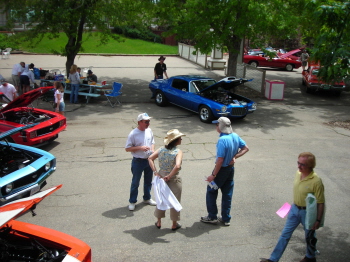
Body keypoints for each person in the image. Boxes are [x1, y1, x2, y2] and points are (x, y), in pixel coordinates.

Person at [260, 152, 325, 262]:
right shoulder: (298, 173)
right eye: (298, 163)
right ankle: (273, 259)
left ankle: (310, 257)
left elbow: (320, 202)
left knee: (310, 236)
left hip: (308, 213)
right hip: (294, 209)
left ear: (310, 166)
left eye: (302, 164)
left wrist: (318, 220)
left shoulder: (316, 181)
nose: (299, 166)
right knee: (285, 235)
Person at [200, 117, 249, 226]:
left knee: (211, 190)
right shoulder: (235, 136)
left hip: (221, 170)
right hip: (230, 169)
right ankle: (226, 218)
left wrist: (213, 175)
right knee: (227, 193)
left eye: (216, 125)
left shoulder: (222, 140)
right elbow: (246, 148)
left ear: (220, 127)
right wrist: (235, 157)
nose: (215, 127)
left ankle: (212, 216)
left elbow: (220, 160)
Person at [148, 129, 185, 230]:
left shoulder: (161, 149)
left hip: (161, 176)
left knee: (161, 199)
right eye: (179, 138)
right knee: (175, 200)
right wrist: (170, 176)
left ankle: (159, 222)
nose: (181, 139)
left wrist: (155, 172)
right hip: (173, 178)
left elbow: (150, 158)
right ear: (176, 140)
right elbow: (177, 166)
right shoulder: (178, 151)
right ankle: (174, 223)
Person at [125, 113, 157, 211]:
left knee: (148, 181)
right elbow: (127, 148)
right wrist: (140, 147)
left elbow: (152, 142)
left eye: (149, 121)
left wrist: (152, 151)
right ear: (139, 122)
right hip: (138, 161)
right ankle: (132, 201)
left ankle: (147, 198)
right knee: (135, 182)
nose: (148, 123)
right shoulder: (133, 134)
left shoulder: (149, 131)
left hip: (148, 160)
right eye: (146, 122)